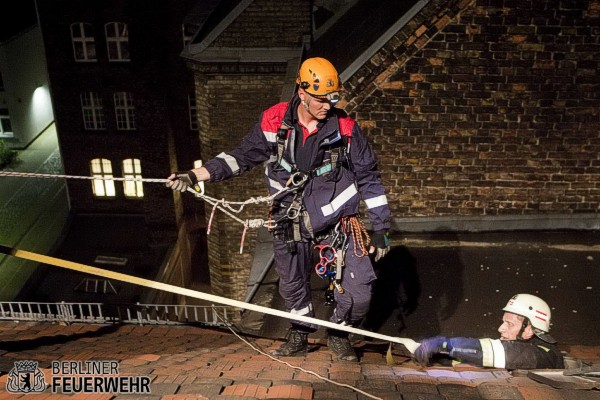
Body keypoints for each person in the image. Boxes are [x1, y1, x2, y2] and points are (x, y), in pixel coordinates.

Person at [167, 57, 391, 361]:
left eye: (332, 98)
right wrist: (195, 175)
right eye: (320, 99)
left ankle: (339, 332)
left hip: (338, 221)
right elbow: (240, 157)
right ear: (302, 94)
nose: (328, 105)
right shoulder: (274, 122)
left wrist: (380, 229)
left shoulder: (346, 130)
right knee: (292, 283)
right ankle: (299, 331)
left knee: (361, 290)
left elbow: (369, 178)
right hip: (291, 216)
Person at [414, 293, 565, 369]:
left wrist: (445, 345)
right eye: (503, 322)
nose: (501, 328)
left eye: (509, 324)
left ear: (529, 329)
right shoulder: (531, 351)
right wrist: (441, 356)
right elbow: (479, 358)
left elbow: (490, 352)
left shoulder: (544, 355)